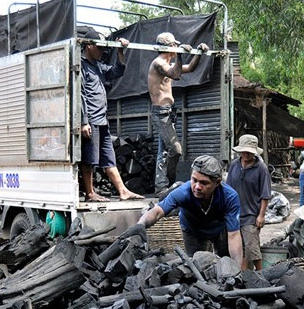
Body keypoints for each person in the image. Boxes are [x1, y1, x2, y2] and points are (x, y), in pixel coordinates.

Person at [121, 155, 244, 268]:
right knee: (195, 266)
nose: (197, 187)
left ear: (217, 183)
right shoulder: (183, 192)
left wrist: (237, 269)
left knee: (226, 264)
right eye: (194, 180)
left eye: (204, 183)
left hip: (219, 229)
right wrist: (141, 224)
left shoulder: (229, 197)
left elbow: (233, 235)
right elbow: (158, 211)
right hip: (192, 229)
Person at [80, 28, 143, 202]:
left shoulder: (98, 66)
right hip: (91, 119)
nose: (101, 51)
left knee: (109, 158)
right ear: (89, 46)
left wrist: (120, 51)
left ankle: (123, 191)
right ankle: (90, 193)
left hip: (102, 120)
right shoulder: (81, 66)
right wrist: (84, 121)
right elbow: (81, 95)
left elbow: (118, 71)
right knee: (89, 159)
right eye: (99, 48)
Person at [148, 32, 210, 196]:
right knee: (176, 150)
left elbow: (189, 68)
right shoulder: (159, 63)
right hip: (160, 114)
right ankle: (168, 184)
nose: (176, 47)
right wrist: (182, 55)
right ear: (167, 46)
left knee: (164, 152)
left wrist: (198, 53)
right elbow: (175, 74)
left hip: (169, 113)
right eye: (174, 45)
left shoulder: (168, 64)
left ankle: (161, 187)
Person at [226, 134, 272, 270]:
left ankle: (261, 274)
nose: (246, 154)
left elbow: (265, 194)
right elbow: (227, 188)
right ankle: (242, 274)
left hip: (251, 214)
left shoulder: (261, 168)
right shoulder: (234, 165)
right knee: (237, 248)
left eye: (249, 152)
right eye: (243, 151)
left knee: (252, 248)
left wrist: (261, 215)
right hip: (234, 213)